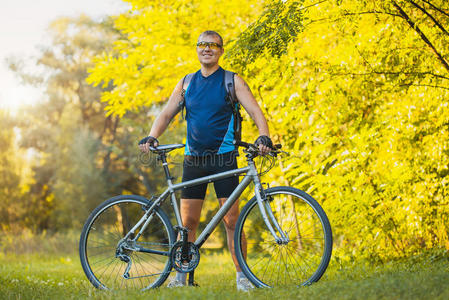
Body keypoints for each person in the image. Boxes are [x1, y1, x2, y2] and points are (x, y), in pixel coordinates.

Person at [139, 30, 273, 291]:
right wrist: (152, 136)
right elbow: (166, 113)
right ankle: (180, 278)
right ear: (197, 49)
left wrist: (264, 136)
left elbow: (255, 110)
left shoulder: (232, 81)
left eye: (213, 45)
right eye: (202, 44)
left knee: (232, 220)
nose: (207, 49)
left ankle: (242, 278)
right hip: (194, 160)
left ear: (221, 50)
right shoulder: (187, 83)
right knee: (188, 223)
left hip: (224, 159)